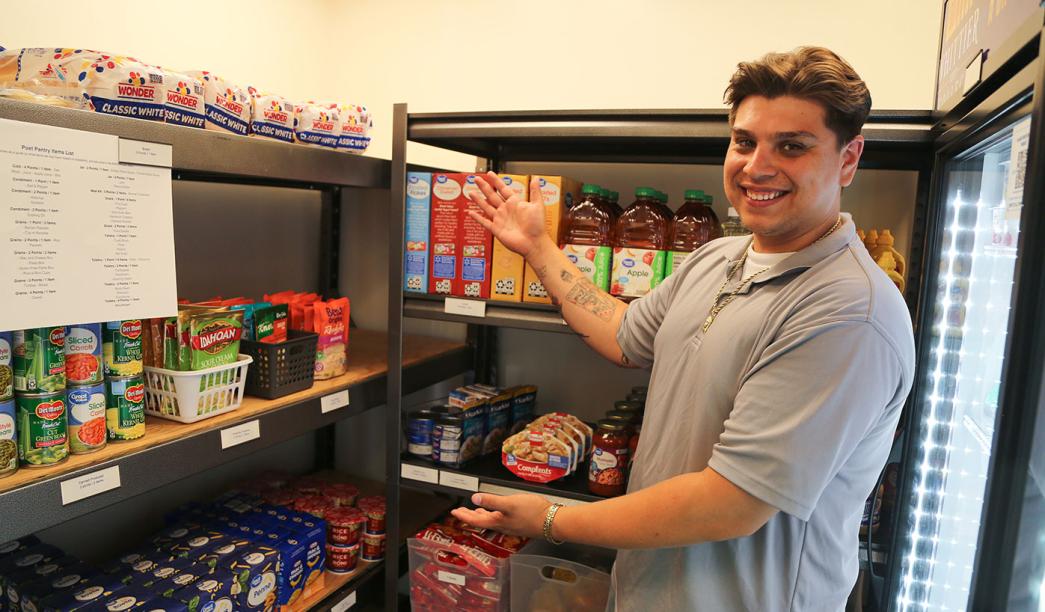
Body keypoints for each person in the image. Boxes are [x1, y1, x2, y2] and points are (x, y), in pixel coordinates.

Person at [452, 46, 915, 611]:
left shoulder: (849, 313)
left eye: (791, 146)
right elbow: (623, 333)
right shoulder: (718, 258)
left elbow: (731, 504)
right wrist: (538, 247)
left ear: (848, 159)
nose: (757, 166)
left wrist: (552, 518)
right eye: (744, 142)